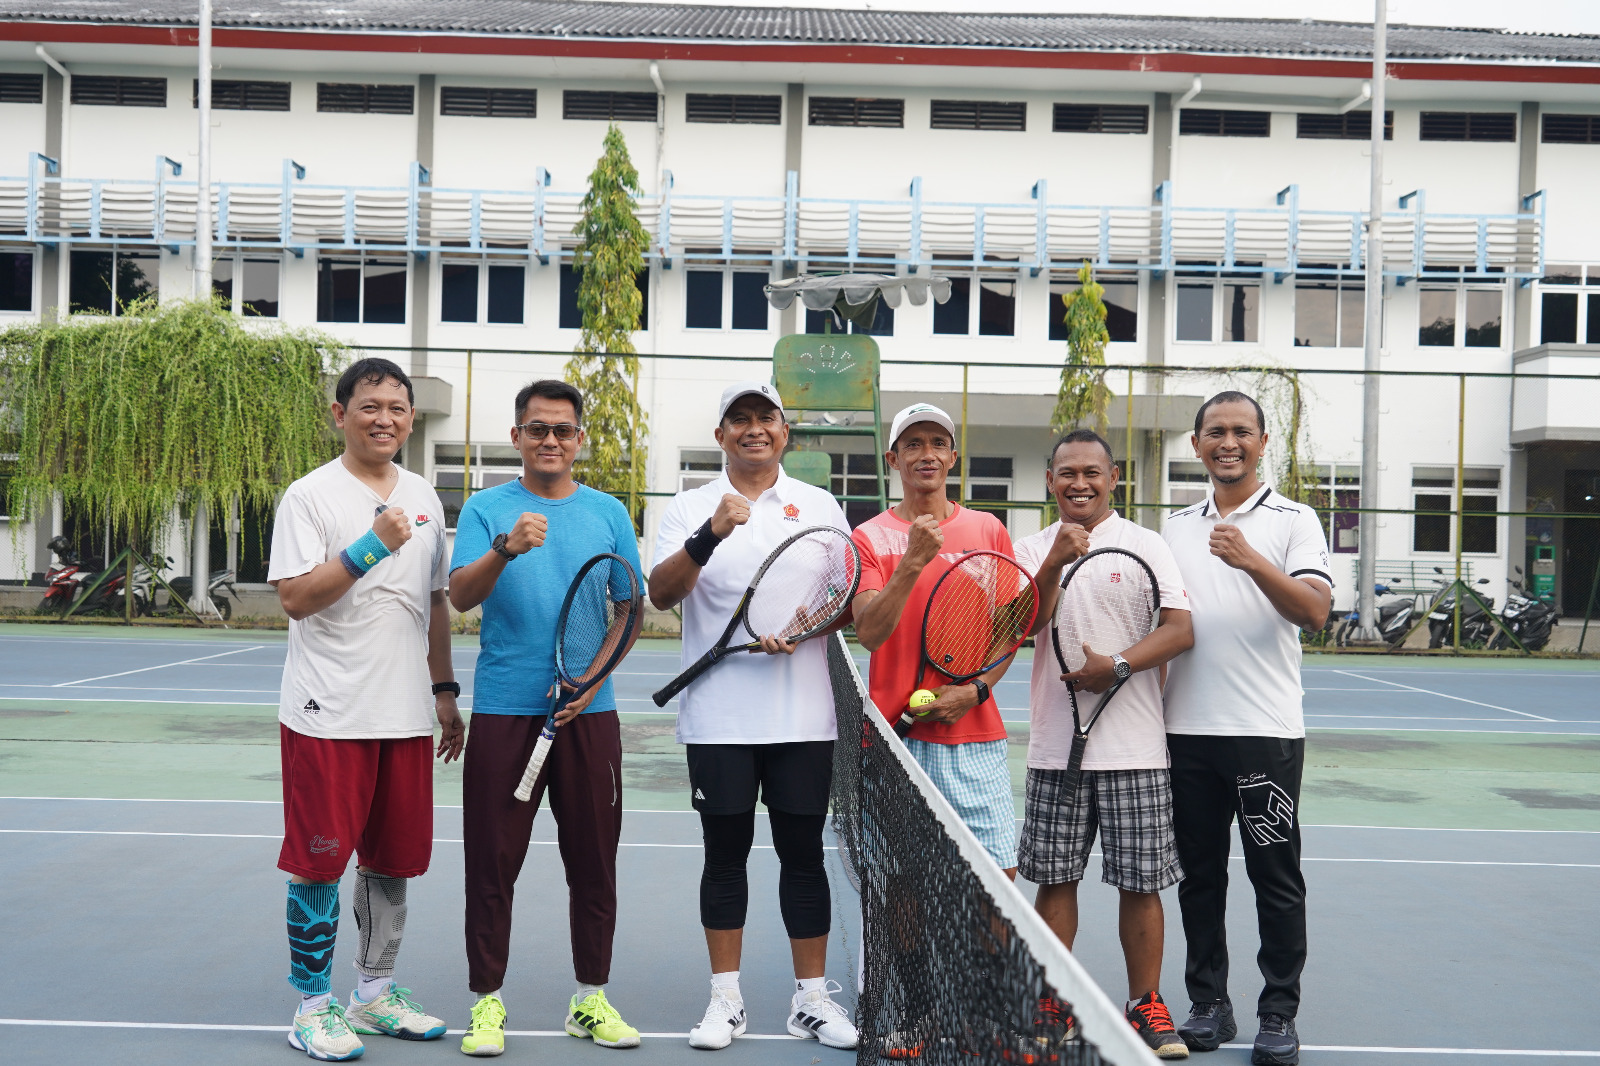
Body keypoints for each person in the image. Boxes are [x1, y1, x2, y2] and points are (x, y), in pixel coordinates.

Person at [649, 381, 858, 1053]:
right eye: (739, 419)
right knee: (725, 858)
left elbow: (845, 592)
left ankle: (811, 1001)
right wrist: (712, 533)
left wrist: (807, 624)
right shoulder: (689, 506)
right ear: (720, 436)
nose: (754, 429)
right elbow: (661, 593)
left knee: (804, 859)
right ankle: (726, 1000)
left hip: (804, 720)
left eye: (765, 417)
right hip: (718, 721)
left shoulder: (820, 505)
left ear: (784, 431)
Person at [268, 357, 464, 1062]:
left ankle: (374, 994)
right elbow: (293, 598)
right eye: (369, 405)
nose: (384, 418)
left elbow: (434, 604)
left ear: (412, 417)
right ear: (339, 413)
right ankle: (312, 1008)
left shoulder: (425, 495)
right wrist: (368, 547)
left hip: (407, 713)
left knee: (392, 862)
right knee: (320, 865)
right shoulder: (310, 495)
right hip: (330, 713)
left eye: (397, 407)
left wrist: (445, 694)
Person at [448, 379, 645, 1057]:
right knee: (491, 864)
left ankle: (589, 998)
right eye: (537, 429)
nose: (551, 440)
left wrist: (594, 679)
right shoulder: (485, 509)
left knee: (593, 863)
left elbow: (629, 607)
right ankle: (486, 1005)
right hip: (506, 710)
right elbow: (459, 599)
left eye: (563, 430)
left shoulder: (609, 513)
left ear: (579, 439)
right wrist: (505, 548)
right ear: (518, 438)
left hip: (591, 717)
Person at [1161, 392, 1332, 1066]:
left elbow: (1314, 611)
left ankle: (1278, 1013)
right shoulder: (1174, 527)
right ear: (1198, 445)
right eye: (1215, 433)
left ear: (1263, 443)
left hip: (1265, 735)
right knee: (1199, 878)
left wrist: (1252, 560)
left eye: (1240, 432)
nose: (1227, 443)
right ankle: (1208, 1004)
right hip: (1186, 736)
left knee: (1275, 877)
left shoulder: (1295, 520)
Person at [1012, 429, 1193, 1060]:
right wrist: (1056, 559)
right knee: (1054, 881)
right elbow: (1018, 628)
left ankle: (1145, 1003)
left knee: (1141, 884)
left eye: (1092, 472)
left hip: (1137, 751)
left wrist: (1114, 665)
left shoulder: (1146, 546)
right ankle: (1052, 1001)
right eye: (1067, 473)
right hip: (1055, 750)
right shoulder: (1030, 548)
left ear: (1114, 479)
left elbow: (1179, 631)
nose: (1079, 483)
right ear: (1050, 481)